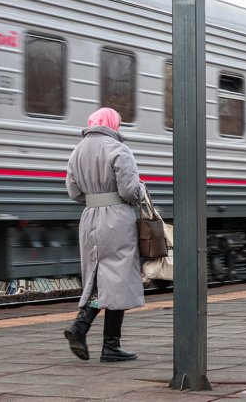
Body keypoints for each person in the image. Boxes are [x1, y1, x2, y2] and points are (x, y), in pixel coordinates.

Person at [64, 107, 145, 362]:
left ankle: (93, 334)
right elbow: (130, 191)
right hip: (117, 219)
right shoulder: (118, 149)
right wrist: (142, 191)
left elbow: (73, 192)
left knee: (100, 280)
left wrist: (95, 198)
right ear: (113, 124)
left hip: (89, 218)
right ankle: (100, 338)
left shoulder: (77, 151)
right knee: (117, 281)